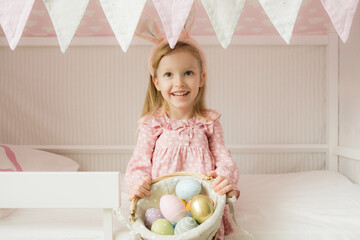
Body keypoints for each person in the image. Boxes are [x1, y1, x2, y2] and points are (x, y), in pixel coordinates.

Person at [125, 18, 240, 240]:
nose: (179, 83)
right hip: (162, 208)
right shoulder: (153, 124)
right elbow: (138, 164)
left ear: (201, 79)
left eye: (188, 73)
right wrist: (138, 183)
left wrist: (224, 178)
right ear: (157, 82)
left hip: (203, 207)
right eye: (169, 75)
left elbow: (224, 159)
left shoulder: (208, 122)